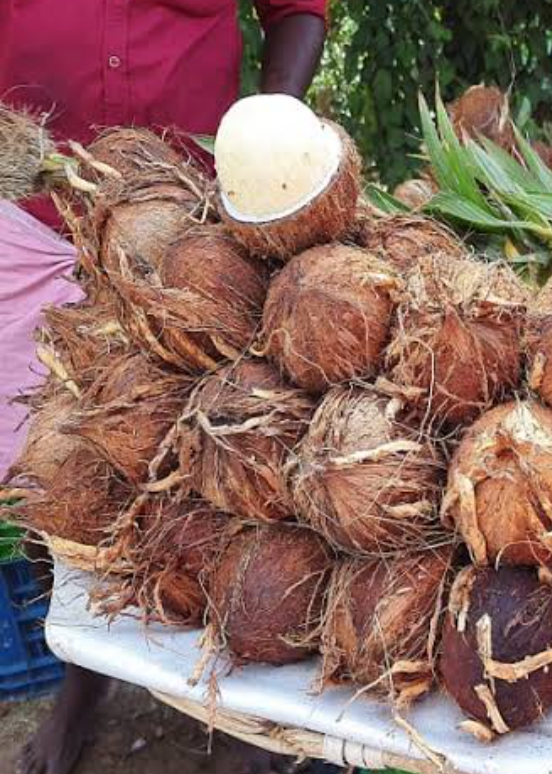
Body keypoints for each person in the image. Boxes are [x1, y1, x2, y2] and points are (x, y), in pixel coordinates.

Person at [0, 3, 327, 774]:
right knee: (43, 468)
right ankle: (83, 678)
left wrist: (267, 125)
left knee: (227, 460)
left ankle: (247, 701)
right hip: (31, 211)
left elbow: (298, 10)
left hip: (183, 225)